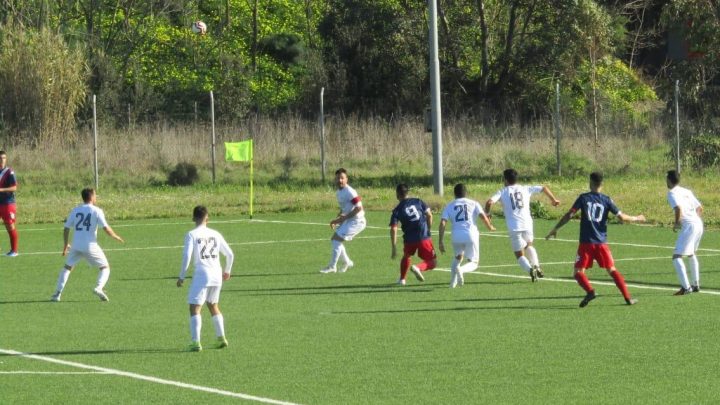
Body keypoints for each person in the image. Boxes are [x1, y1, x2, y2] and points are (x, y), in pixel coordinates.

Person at [546, 172, 645, 307]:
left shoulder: (583, 198)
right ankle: (628, 298)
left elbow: (569, 215)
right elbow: (622, 217)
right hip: (601, 243)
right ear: (602, 184)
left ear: (590, 183)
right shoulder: (607, 199)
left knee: (578, 272)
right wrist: (637, 218)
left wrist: (555, 229)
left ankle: (590, 291)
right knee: (612, 270)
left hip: (586, 243)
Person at [485, 168, 560, 282]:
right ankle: (537, 266)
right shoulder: (525, 188)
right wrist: (553, 200)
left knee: (519, 254)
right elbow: (543, 188)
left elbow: (489, 202)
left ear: (505, 179)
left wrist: (487, 214)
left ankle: (530, 270)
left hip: (514, 226)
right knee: (529, 245)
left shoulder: (503, 191)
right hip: (527, 224)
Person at [177, 205, 234, 352]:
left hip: (203, 274)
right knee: (213, 305)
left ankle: (196, 342)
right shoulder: (216, 234)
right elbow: (230, 254)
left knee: (195, 308)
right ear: (207, 218)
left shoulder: (191, 234)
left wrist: (182, 276)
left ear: (193, 218)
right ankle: (221, 338)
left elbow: (186, 256)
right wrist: (227, 270)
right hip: (217, 274)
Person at [50, 188, 124, 302]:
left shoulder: (76, 210)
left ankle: (57, 294)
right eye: (95, 195)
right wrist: (115, 236)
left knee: (67, 268)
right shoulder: (97, 210)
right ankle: (99, 288)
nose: (96, 197)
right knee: (105, 268)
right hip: (90, 245)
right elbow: (106, 228)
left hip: (76, 245)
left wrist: (65, 245)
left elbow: (66, 228)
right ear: (91, 197)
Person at [439, 183, 495, 288]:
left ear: (454, 194)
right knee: (474, 262)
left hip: (456, 236)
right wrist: (490, 227)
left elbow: (443, 223)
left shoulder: (449, 205)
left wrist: (440, 241)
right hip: (470, 234)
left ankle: (452, 283)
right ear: (466, 193)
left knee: (458, 257)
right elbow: (483, 216)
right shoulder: (473, 203)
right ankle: (461, 270)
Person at [320, 168, 367, 273]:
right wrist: (337, 220)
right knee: (335, 240)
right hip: (350, 220)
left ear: (346, 179)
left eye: (342, 178)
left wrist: (343, 218)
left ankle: (332, 266)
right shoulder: (338, 192)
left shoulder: (350, 192)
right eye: (338, 178)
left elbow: (359, 208)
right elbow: (344, 209)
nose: (340, 180)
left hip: (357, 221)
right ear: (335, 179)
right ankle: (347, 262)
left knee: (336, 240)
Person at [390, 183, 437, 285]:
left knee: (406, 256)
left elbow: (394, 228)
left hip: (409, 239)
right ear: (408, 193)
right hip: (423, 235)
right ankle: (418, 267)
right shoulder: (418, 201)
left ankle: (402, 279)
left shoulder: (397, 210)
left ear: (397, 195)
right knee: (433, 262)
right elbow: (429, 215)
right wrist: (428, 229)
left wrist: (394, 246)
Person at [666, 170, 704, 295]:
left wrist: (677, 222)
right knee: (692, 254)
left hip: (689, 226)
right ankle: (696, 284)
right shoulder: (686, 191)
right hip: (698, 224)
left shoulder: (671, 193)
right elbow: (700, 208)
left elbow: (678, 208)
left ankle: (686, 287)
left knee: (676, 256)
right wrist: (694, 219)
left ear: (669, 180)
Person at [0, 150, 19, 256]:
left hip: (8, 203)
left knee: (10, 226)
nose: (2, 160)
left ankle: (14, 251)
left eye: (4, 158)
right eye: (0, 158)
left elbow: (14, 187)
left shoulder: (9, 172)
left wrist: (1, 190)